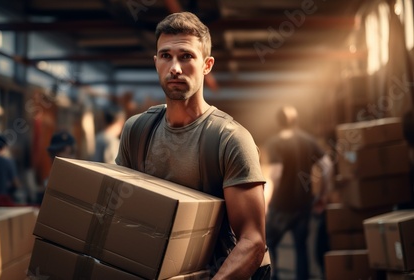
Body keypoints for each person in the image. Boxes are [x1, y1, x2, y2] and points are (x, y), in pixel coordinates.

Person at [116, 12, 269, 279]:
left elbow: (253, 242)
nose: (175, 67)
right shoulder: (136, 131)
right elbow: (121, 214)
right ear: (156, 62)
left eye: (186, 56)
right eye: (166, 56)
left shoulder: (230, 139)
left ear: (207, 65)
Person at [262, 106, 332, 280]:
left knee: (269, 243)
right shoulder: (308, 141)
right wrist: (323, 195)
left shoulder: (275, 143)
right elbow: (327, 165)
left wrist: (266, 204)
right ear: (296, 121)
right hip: (303, 204)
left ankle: (274, 276)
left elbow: (276, 174)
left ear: (278, 122)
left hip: (281, 205)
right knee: (301, 247)